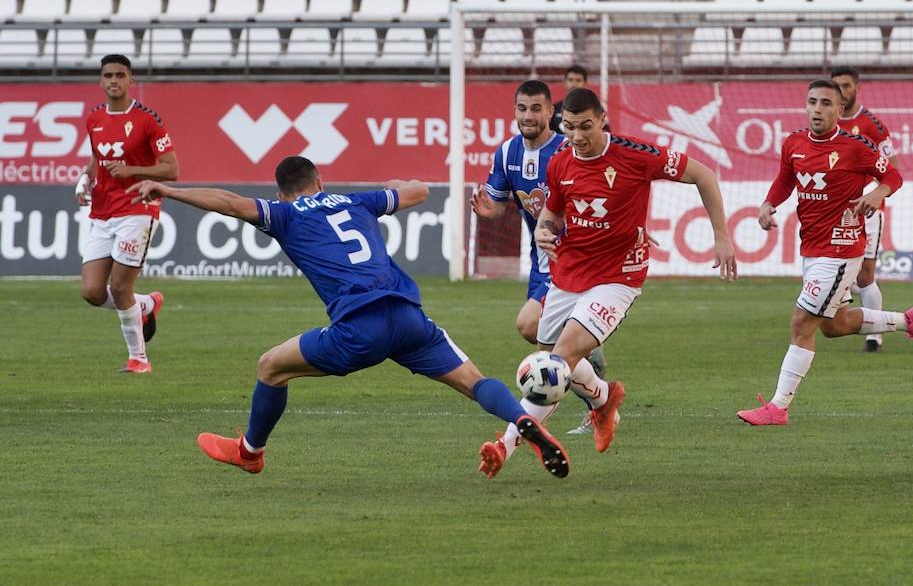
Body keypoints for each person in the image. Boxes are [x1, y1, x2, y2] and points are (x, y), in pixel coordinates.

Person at [128, 157, 569, 477]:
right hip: (408, 315)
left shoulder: (282, 213)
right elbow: (418, 190)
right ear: (319, 180)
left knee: (270, 367)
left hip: (359, 328)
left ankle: (250, 451)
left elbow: (227, 202)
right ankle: (521, 419)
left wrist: (168, 190)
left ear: (282, 192)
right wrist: (398, 183)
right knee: (474, 382)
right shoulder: (357, 202)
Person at [479, 87, 737, 477]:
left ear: (602, 120)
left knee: (553, 364)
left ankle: (506, 445)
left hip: (617, 277)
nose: (578, 136)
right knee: (553, 357)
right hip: (568, 273)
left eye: (586, 127)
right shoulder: (561, 162)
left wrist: (722, 235)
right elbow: (552, 215)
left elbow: (703, 174)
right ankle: (603, 398)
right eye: (569, 127)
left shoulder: (637, 155)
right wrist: (544, 233)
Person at [737, 79, 913, 427]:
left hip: (841, 249)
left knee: (802, 322)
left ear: (840, 110)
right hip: (811, 248)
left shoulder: (855, 146)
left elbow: (894, 175)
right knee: (833, 325)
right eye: (812, 102)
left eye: (826, 103)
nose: (817, 109)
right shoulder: (793, 143)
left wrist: (877, 193)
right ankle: (909, 320)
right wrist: (769, 203)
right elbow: (786, 178)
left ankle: (778, 406)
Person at [470, 79, 607, 437]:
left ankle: (591, 397)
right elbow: (500, 206)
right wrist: (489, 212)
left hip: (577, 261)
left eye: (536, 108)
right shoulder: (506, 153)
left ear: (551, 112)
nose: (528, 115)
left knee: (529, 326)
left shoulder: (569, 148)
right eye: (521, 108)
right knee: (551, 343)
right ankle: (599, 393)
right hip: (541, 263)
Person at [77, 54, 178, 374]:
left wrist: (131, 170)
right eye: (108, 75)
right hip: (103, 210)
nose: (114, 81)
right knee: (92, 292)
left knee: (121, 288)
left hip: (138, 207)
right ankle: (146, 304)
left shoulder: (148, 120)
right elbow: (97, 159)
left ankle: (139, 359)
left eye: (120, 75)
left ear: (131, 81)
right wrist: (84, 179)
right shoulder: (94, 118)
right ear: (100, 81)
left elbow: (171, 169)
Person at [830, 65, 898, 353]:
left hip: (868, 210)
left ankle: (875, 337)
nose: (842, 92)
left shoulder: (872, 125)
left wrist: (872, 195)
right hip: (833, 211)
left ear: (857, 87)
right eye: (837, 87)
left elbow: (891, 168)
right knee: (841, 272)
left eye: (846, 86)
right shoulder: (827, 123)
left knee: (865, 276)